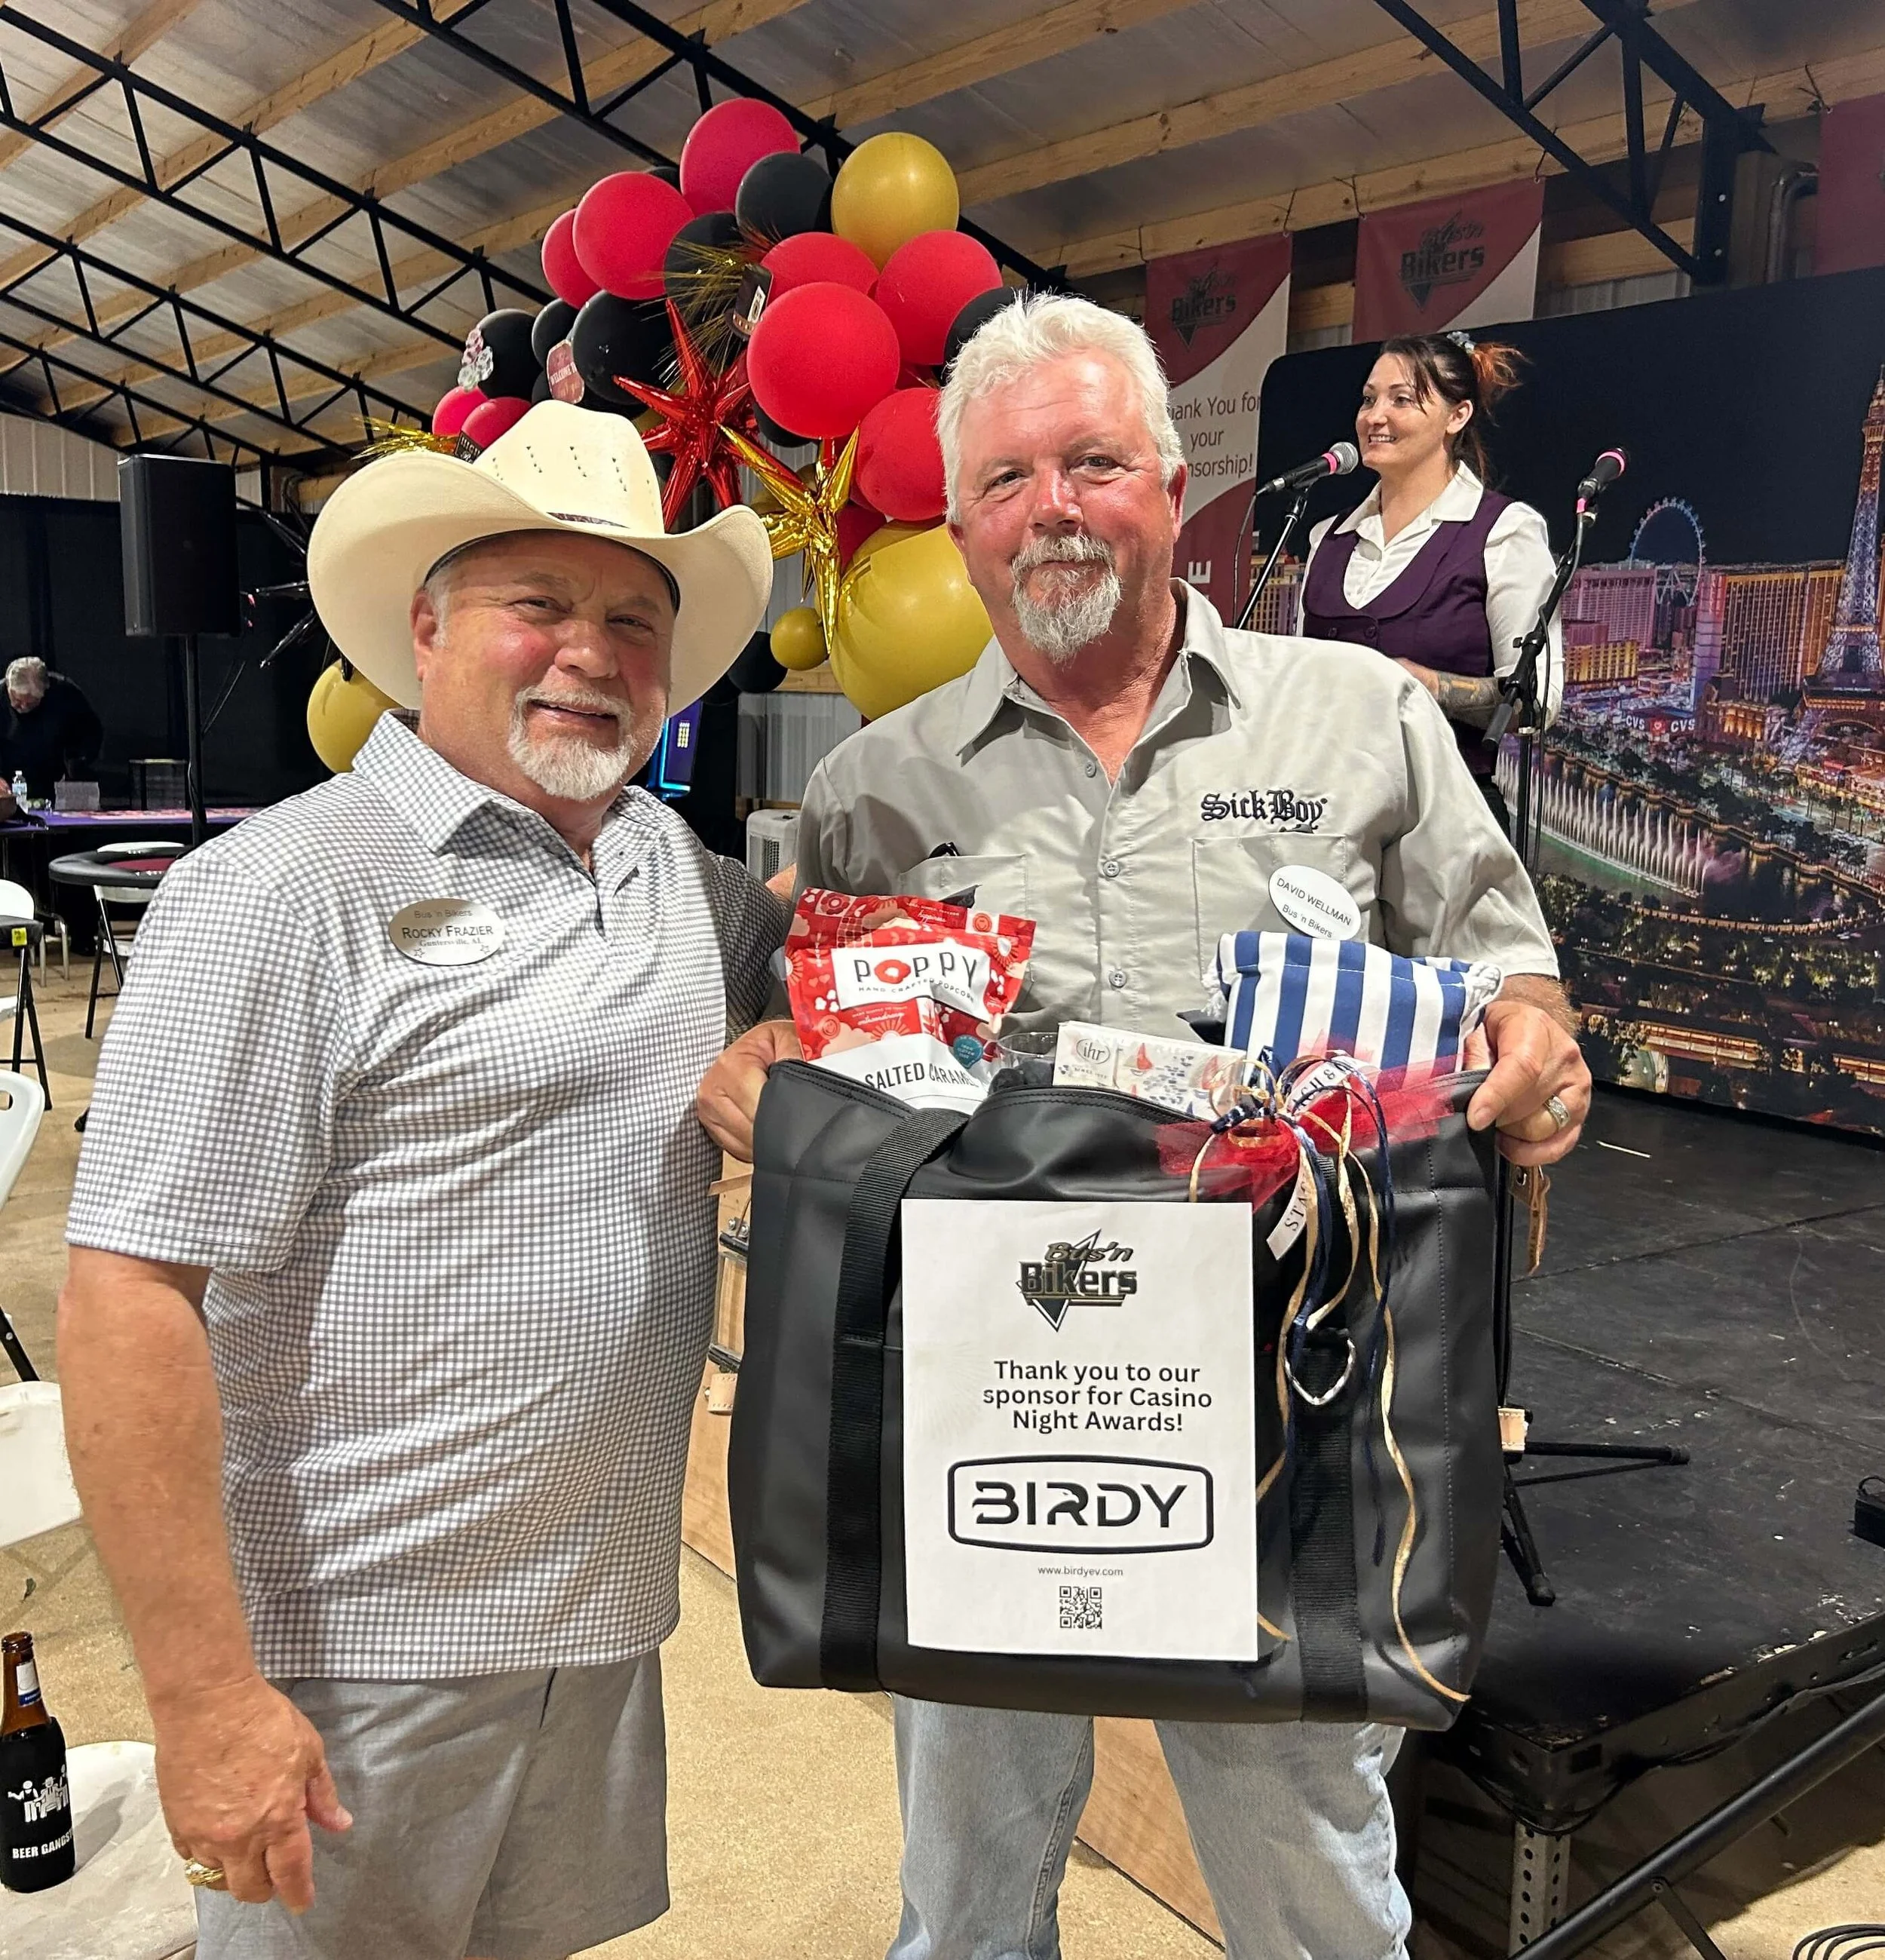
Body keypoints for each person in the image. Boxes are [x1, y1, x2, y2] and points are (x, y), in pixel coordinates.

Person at [697, 293, 1591, 1960]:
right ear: (956, 523)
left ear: (1173, 489)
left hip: (1293, 1402)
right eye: (1007, 477)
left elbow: (1508, 972)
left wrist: (1538, 1051)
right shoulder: (873, 791)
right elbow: (819, 1066)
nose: (1051, 506)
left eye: (1093, 462)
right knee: (963, 1888)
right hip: (984, 1414)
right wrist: (762, 1072)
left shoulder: (1359, 718)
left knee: (1309, 1881)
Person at [57, 400, 782, 1960]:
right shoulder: (278, 895)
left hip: (592, 1620)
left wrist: (778, 1052)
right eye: (539, 606)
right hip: (351, 1655)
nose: (587, 652)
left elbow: (811, 1008)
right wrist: (200, 1701)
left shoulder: (662, 868)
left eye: (630, 620)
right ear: (428, 625)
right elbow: (125, 1293)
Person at [1299, 330, 1562, 834]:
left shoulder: (1503, 533)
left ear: (1456, 416)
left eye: (1401, 400)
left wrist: (1430, 685)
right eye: (1369, 399)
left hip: (1447, 825)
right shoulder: (1326, 540)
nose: (1375, 416)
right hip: (1327, 817)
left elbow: (1536, 701)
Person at [0, 655, 103, 805]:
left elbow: (91, 733)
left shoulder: (66, 694)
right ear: (8, 686)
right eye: (16, 700)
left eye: (30, 703)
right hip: (9, 783)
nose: (22, 707)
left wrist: (78, 763)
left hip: (56, 780)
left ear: (45, 690)